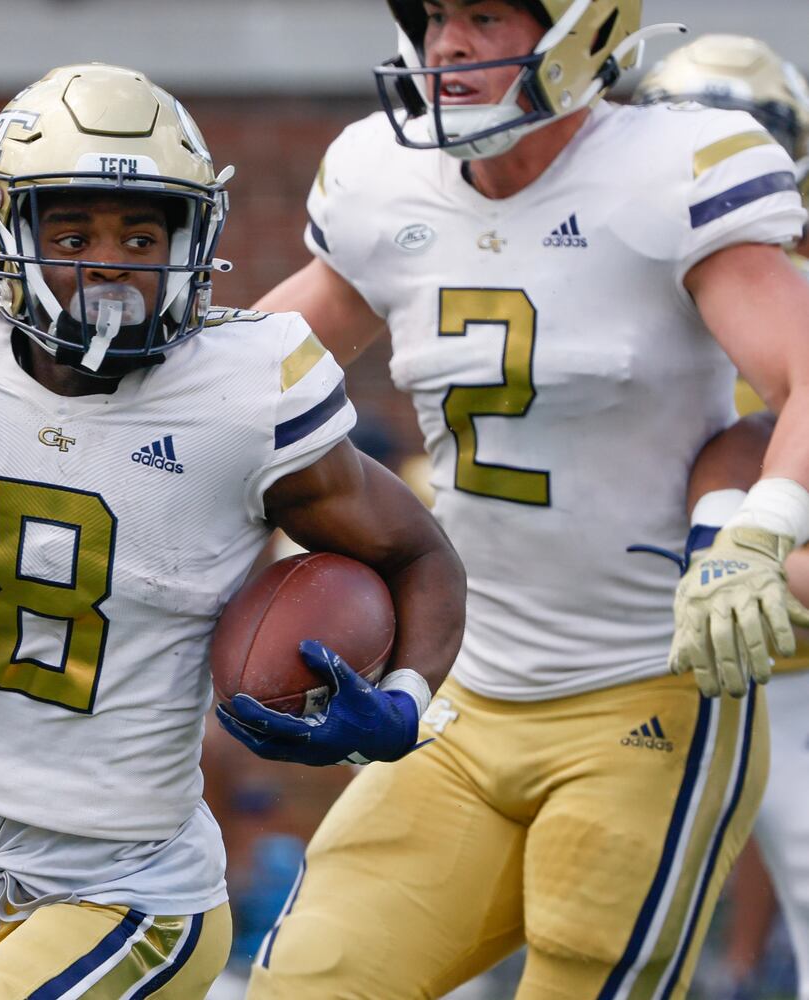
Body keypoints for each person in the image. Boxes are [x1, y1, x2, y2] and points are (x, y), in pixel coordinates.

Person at [0, 63, 466, 999]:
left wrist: (405, 698)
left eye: (140, 232)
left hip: (133, 887)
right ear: (9, 236)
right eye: (73, 232)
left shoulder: (247, 392)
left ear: (192, 241)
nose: (111, 261)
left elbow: (415, 552)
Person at [240, 1, 809, 997]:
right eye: (435, 16)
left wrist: (758, 527)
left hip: (646, 691)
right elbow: (246, 382)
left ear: (583, 29)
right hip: (460, 697)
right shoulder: (384, 180)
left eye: (485, 14)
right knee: (312, 977)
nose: (447, 43)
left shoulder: (670, 167)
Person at [635, 34, 809, 1000]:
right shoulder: (598, 267)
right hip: (612, 661)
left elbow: (755, 436)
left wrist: (750, 561)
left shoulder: (781, 301)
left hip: (791, 672)